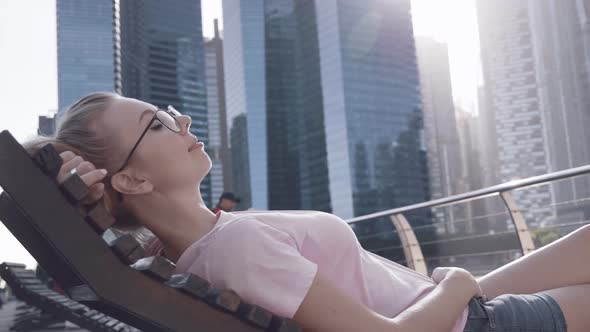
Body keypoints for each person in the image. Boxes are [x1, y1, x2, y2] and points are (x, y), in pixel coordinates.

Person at [24, 91, 590, 332]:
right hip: (461, 320)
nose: (183, 123)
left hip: (442, 302)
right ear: (133, 177)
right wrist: (459, 283)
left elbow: (102, 228)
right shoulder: (230, 250)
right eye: (158, 123)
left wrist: (81, 192)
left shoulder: (174, 251)